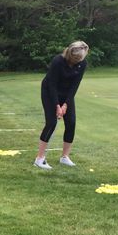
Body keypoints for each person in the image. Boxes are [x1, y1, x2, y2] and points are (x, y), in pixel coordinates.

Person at [34, 41, 89, 170]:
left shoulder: (82, 63)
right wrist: (57, 106)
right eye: (78, 58)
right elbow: (52, 84)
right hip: (49, 91)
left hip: (66, 94)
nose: (79, 60)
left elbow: (75, 86)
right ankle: (39, 158)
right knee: (51, 123)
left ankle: (65, 157)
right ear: (72, 55)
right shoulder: (58, 61)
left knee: (71, 122)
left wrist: (65, 105)